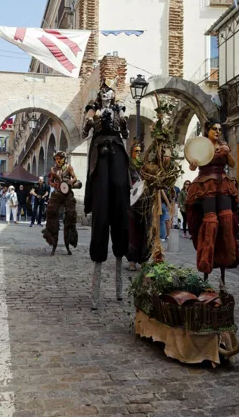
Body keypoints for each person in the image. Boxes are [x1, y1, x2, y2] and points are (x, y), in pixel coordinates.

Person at [83, 79, 129, 309]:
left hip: (117, 152)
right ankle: (96, 293)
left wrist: (121, 119)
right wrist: (93, 120)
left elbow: (126, 131)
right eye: (104, 92)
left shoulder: (119, 108)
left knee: (121, 191)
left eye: (110, 92)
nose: (107, 95)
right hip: (100, 152)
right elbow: (84, 130)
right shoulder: (93, 107)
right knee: (101, 207)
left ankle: (120, 288)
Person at [185, 119, 239, 284]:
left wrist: (227, 152)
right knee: (210, 221)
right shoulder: (200, 145)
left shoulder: (224, 145)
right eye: (214, 129)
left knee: (226, 219)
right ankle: (206, 262)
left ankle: (227, 259)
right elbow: (193, 167)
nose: (217, 132)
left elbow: (232, 163)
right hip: (205, 184)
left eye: (219, 129)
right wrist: (193, 164)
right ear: (207, 131)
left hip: (223, 183)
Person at [43, 151, 79, 255]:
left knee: (71, 215)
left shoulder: (69, 167)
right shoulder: (53, 169)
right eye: (56, 159)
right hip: (58, 193)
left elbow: (74, 177)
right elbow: (50, 181)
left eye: (60, 158)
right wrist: (54, 184)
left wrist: (71, 182)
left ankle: (69, 241)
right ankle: (53, 242)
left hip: (67, 193)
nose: (58, 160)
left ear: (63, 159)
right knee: (51, 212)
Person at [125, 142, 148, 271]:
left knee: (144, 231)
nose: (138, 153)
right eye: (136, 151)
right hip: (132, 202)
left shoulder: (144, 167)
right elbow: (128, 182)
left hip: (144, 202)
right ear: (131, 152)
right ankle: (132, 260)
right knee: (132, 231)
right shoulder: (128, 166)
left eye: (140, 151)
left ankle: (143, 258)